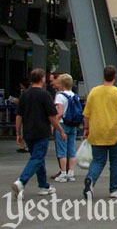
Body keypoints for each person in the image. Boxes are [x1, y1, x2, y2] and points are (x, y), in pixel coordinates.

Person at [83, 65, 117, 199]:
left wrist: (86, 128)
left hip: (97, 132)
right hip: (115, 133)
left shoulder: (94, 92)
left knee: (98, 160)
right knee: (115, 161)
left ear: (104, 76)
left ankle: (91, 178)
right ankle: (114, 189)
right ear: (115, 77)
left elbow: (87, 114)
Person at [11, 68, 66, 200]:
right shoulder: (45, 95)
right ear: (42, 80)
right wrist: (60, 130)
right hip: (42, 132)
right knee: (37, 158)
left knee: (37, 158)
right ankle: (21, 182)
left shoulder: (24, 95)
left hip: (28, 132)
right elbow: (52, 116)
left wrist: (18, 132)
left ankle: (43, 186)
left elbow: (18, 116)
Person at [53, 73, 79, 183]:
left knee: (62, 149)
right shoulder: (74, 95)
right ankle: (71, 173)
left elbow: (59, 112)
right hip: (73, 124)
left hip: (62, 124)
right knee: (71, 149)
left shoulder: (60, 96)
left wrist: (53, 123)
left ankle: (63, 172)